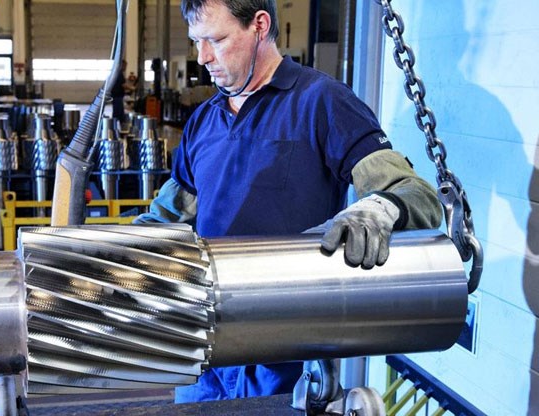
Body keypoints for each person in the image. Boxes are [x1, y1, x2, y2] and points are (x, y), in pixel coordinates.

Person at [134, 0, 442, 404]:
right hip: (204, 350)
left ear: (259, 26)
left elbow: (414, 194)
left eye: (216, 40)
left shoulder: (321, 102)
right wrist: (108, 255)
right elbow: (166, 217)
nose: (203, 56)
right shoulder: (204, 121)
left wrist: (376, 209)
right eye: (197, 42)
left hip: (285, 357)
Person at [111, 59, 128, 124]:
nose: (125, 67)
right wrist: (132, 88)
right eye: (125, 66)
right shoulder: (119, 73)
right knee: (118, 112)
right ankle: (118, 124)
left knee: (117, 111)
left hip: (116, 95)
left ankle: (116, 124)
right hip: (117, 96)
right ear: (121, 65)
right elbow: (123, 85)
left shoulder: (116, 72)